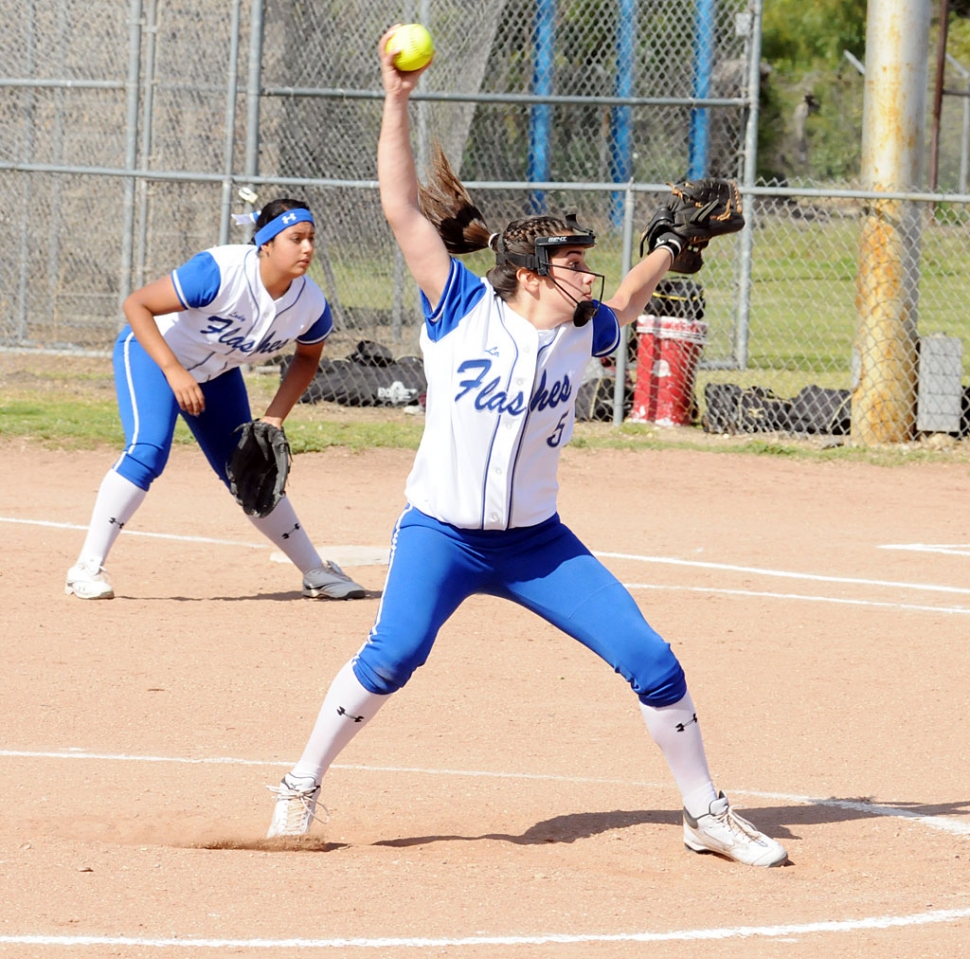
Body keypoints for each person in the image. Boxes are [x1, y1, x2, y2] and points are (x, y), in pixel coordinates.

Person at [265, 30, 787, 868]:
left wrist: (667, 243)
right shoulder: (461, 310)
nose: (586, 271)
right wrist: (397, 101)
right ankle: (299, 784)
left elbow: (627, 295)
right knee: (393, 654)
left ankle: (706, 812)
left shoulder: (585, 331)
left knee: (651, 657)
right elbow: (403, 209)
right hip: (442, 533)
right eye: (571, 260)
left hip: (538, 545)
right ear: (530, 275)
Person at [65, 198, 366, 602]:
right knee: (148, 450)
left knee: (250, 470)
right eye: (296, 239)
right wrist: (173, 371)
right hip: (153, 353)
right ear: (266, 245)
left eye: (311, 238)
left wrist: (275, 417)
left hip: (217, 374)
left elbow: (308, 357)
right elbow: (137, 305)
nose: (307, 248)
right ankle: (86, 568)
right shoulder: (220, 271)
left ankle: (315, 570)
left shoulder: (309, 304)